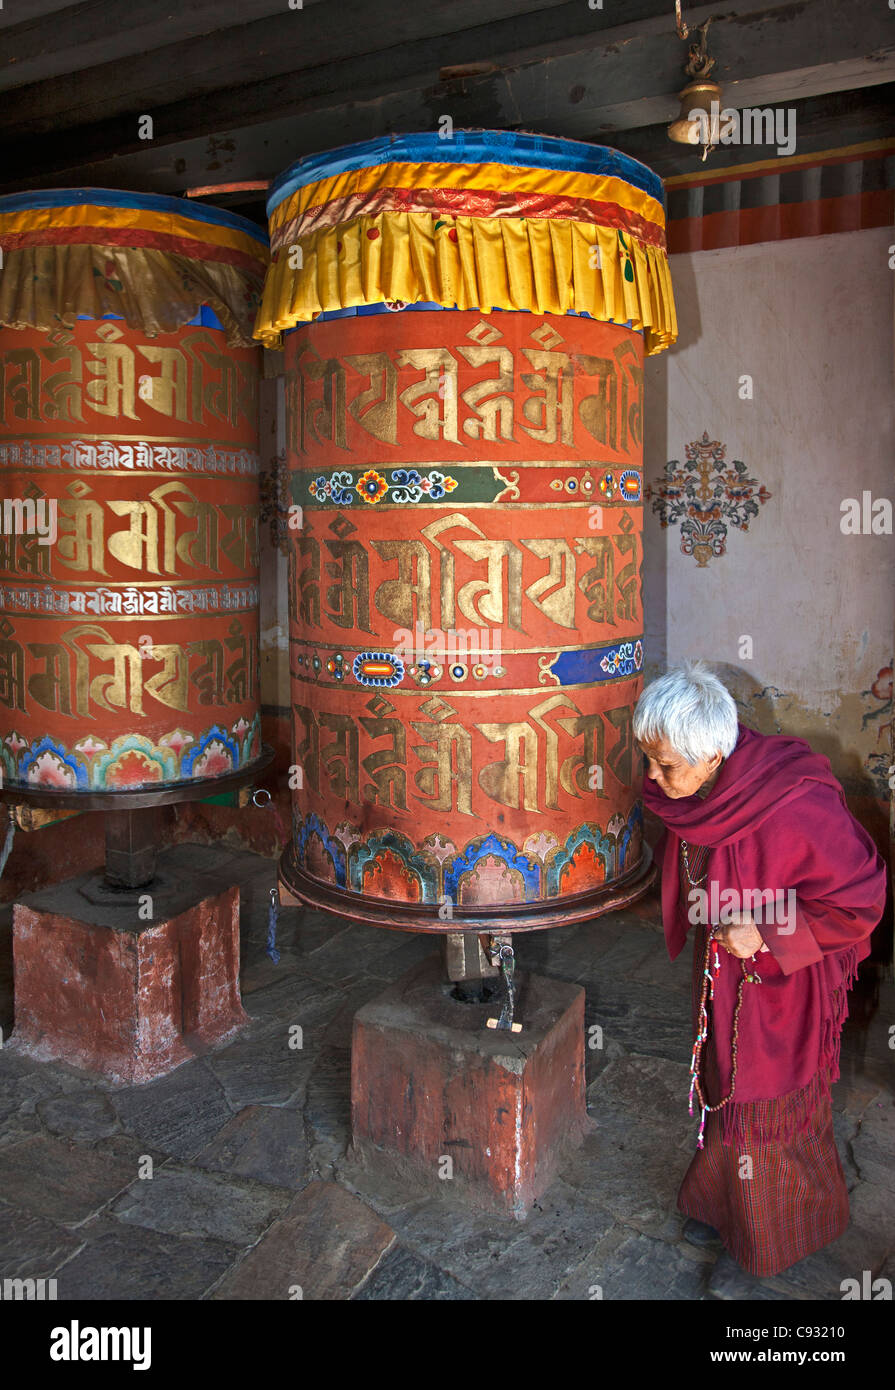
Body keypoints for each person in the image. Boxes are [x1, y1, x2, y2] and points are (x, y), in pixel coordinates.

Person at [633, 660, 888, 1278]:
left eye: (667, 765)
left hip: (786, 982)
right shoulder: (696, 792)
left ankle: (778, 1236)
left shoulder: (794, 805)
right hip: (725, 971)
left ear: (717, 754)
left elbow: (863, 901)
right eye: (648, 760)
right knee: (726, 1077)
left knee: (769, 1094)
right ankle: (722, 1200)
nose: (652, 777)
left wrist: (768, 932)